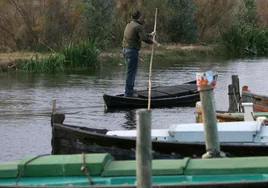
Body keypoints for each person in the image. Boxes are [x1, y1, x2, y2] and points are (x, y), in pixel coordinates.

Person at [122, 10, 159, 97]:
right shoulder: (139, 26)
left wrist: (150, 35)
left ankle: (129, 89)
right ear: (139, 17)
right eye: (141, 17)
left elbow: (138, 34)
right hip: (132, 51)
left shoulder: (129, 25)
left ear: (132, 17)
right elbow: (143, 38)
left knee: (129, 72)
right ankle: (129, 93)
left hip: (125, 50)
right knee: (131, 73)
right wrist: (153, 42)